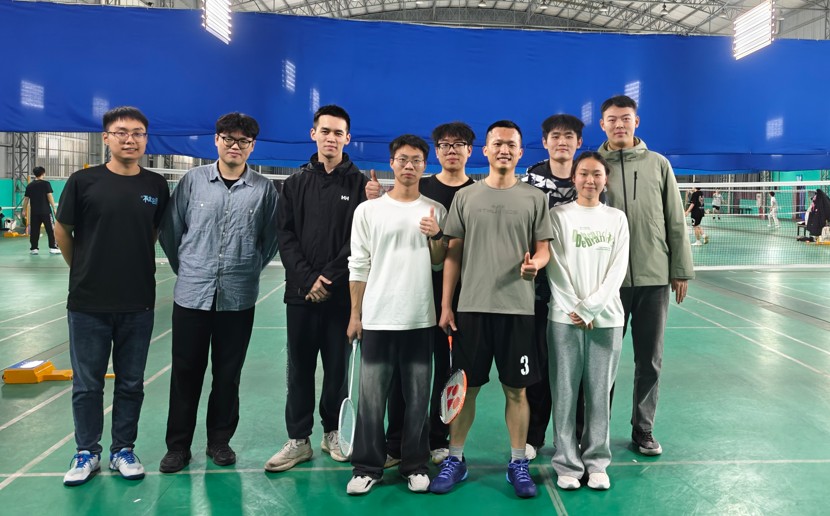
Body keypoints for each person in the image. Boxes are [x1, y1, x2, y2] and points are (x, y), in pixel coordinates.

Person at [431, 120, 553, 499]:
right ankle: (455, 459)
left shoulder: (535, 198)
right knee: (466, 390)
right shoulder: (466, 197)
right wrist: (447, 305)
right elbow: (452, 254)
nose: (504, 149)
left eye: (511, 144)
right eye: (497, 143)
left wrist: (536, 265)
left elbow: (544, 248)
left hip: (518, 311)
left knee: (517, 392)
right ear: (485, 150)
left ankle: (518, 462)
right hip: (472, 310)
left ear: (520, 152)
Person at [158, 112, 279, 473]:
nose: (235, 146)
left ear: (252, 146)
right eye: (228, 138)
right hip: (191, 294)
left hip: (238, 298)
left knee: (228, 374)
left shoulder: (264, 190)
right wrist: (189, 268)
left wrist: (247, 269)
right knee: (185, 373)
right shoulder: (193, 181)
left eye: (243, 141)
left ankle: (219, 442)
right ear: (216, 140)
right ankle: (178, 447)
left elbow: (270, 239)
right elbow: (171, 231)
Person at [55, 106, 170, 486]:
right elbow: (62, 229)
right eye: (121, 132)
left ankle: (123, 449)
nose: (129, 139)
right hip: (88, 303)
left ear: (145, 139)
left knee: (131, 383)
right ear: (106, 138)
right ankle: (86, 451)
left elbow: (152, 232)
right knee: (87, 384)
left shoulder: (156, 185)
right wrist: (82, 268)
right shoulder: (83, 181)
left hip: (138, 302)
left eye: (138, 133)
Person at [266, 105, 368, 472]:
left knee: (337, 370)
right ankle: (299, 440)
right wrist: (308, 280)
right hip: (301, 295)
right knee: (300, 369)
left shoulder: (360, 185)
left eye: (338, 133)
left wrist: (328, 279)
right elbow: (285, 235)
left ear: (347, 138)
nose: (331, 138)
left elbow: (359, 241)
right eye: (325, 131)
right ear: (314, 134)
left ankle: (332, 433)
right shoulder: (294, 183)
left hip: (341, 297)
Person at [367, 122, 476, 469]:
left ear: (470, 151)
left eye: (459, 144)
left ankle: (437, 439)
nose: (452, 150)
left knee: (445, 371)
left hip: (462, 298)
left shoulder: (476, 193)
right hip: (416, 298)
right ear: (436, 153)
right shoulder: (421, 187)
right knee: (404, 375)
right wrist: (372, 196)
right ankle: (396, 442)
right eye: (444, 145)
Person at [345, 135, 447, 495]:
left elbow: (438, 263)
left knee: (418, 400)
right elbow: (358, 265)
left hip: (420, 318)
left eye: (416, 160)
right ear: (392, 163)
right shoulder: (368, 211)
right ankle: (366, 466)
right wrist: (355, 315)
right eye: (403, 159)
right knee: (371, 400)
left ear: (424, 166)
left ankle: (414, 465)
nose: (409, 166)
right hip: (377, 318)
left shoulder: (435, 210)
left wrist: (437, 236)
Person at [597, 95, 694, 456]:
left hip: (653, 278)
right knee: (602, 361)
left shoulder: (658, 164)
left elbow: (675, 219)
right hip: (607, 282)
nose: (619, 124)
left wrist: (680, 269)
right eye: (612, 119)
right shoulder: (592, 165)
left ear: (636, 122)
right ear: (602, 125)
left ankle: (644, 429)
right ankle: (596, 430)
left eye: (625, 118)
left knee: (649, 360)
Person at [547, 151, 629, 491]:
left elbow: (618, 268)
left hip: (606, 320)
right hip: (564, 319)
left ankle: (597, 462)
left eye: (596, 174)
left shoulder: (617, 219)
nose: (590, 180)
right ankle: (566, 462)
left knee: (599, 394)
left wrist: (592, 308)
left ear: (605, 179)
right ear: (574, 177)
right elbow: (554, 265)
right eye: (583, 173)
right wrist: (575, 308)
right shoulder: (557, 216)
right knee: (564, 392)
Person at [521, 114, 584, 460]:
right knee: (539, 366)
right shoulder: (529, 180)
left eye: (569, 136)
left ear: (578, 143)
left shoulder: (587, 178)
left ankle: (574, 436)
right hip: (537, 290)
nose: (562, 142)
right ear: (545, 142)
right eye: (555, 136)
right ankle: (534, 436)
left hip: (578, 289)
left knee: (575, 368)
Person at [22, 166, 60, 255]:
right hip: (46, 211)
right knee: (51, 230)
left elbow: (26, 199)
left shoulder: (30, 185)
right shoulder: (46, 184)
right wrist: (54, 208)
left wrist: (24, 210)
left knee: (34, 231)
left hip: (34, 212)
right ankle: (53, 247)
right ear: (43, 173)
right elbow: (49, 196)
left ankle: (34, 249)